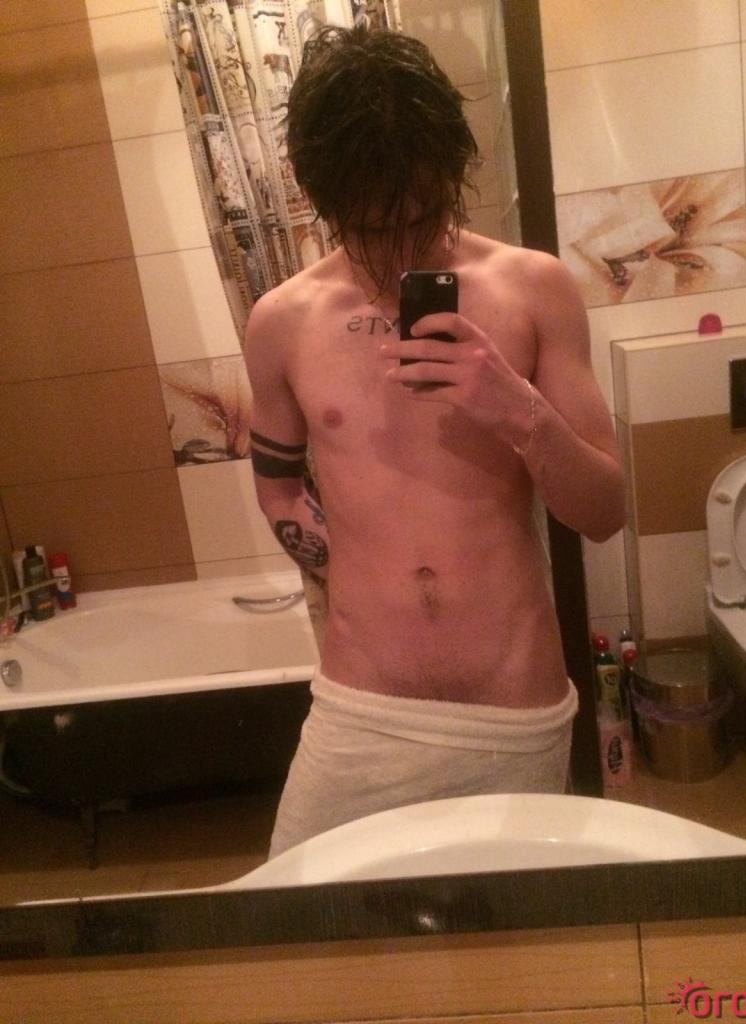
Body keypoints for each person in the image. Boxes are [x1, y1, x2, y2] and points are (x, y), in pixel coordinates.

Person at [244, 24, 626, 858]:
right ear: (323, 198)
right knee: (304, 919)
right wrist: (355, 568)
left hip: (512, 711)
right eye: (369, 228)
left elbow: (604, 512)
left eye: (419, 216)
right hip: (361, 710)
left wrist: (516, 408)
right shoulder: (281, 322)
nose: (398, 250)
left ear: (452, 173)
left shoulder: (535, 289)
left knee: (505, 932)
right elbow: (277, 486)